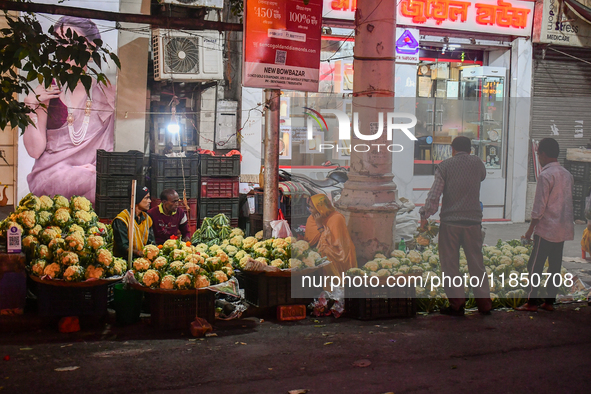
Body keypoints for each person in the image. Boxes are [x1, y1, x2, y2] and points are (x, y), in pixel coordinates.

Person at [23, 16, 115, 204]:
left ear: (90, 49)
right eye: (59, 42)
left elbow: (110, 148)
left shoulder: (106, 93)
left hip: (92, 175)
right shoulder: (48, 90)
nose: (63, 49)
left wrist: (96, 169)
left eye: (71, 43)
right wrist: (29, 106)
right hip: (52, 174)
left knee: (102, 181)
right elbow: (34, 150)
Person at [419, 136, 491, 316]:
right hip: (473, 222)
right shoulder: (478, 164)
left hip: (450, 223)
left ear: (452, 149)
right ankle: (484, 304)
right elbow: (481, 177)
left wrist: (425, 215)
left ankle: (457, 304)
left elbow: (434, 195)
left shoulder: (444, 166)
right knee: (476, 263)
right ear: (470, 149)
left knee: (450, 264)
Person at [517, 138, 574, 312]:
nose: (538, 157)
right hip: (562, 229)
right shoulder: (567, 174)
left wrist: (529, 231)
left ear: (543, 154)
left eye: (538, 153)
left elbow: (539, 208)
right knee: (555, 266)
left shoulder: (545, 175)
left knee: (535, 266)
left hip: (547, 229)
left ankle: (531, 302)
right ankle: (550, 302)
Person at [304, 194, 357, 276]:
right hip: (315, 254)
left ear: (320, 209)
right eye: (309, 207)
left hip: (337, 254)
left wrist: (320, 226)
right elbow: (308, 242)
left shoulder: (336, 218)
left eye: (312, 207)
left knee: (326, 252)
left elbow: (334, 244)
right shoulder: (311, 219)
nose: (310, 210)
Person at [112, 185, 156, 258]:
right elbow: (122, 246)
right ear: (137, 200)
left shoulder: (147, 219)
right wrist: (138, 253)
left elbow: (151, 242)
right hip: (124, 260)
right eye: (146, 198)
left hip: (142, 259)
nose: (150, 201)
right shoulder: (122, 219)